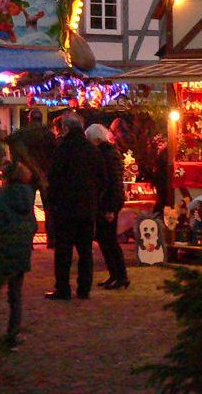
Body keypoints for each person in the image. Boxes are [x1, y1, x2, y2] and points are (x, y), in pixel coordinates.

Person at [44, 112, 105, 300]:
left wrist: (53, 203)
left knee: (63, 252)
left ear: (66, 129)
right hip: (86, 209)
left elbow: (53, 179)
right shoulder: (92, 150)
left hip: (65, 209)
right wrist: (94, 198)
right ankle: (84, 288)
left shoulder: (62, 150)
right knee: (85, 251)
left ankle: (63, 288)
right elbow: (103, 179)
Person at [0, 162, 37, 350]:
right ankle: (12, 336)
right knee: (15, 295)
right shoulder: (28, 199)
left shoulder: (4, 199)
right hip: (21, 253)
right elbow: (33, 226)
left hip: (3, 251)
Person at [85, 124, 129, 290]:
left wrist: (110, 207)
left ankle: (120, 275)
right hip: (108, 202)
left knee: (108, 240)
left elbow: (110, 183)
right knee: (106, 239)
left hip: (108, 203)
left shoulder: (105, 155)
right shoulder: (110, 153)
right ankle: (116, 274)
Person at [5, 108, 57, 249]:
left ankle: (28, 241)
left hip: (27, 175)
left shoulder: (22, 134)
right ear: (41, 119)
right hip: (45, 175)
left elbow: (16, 154)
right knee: (49, 209)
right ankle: (52, 240)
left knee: (28, 209)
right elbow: (54, 157)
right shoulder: (49, 135)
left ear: (29, 119)